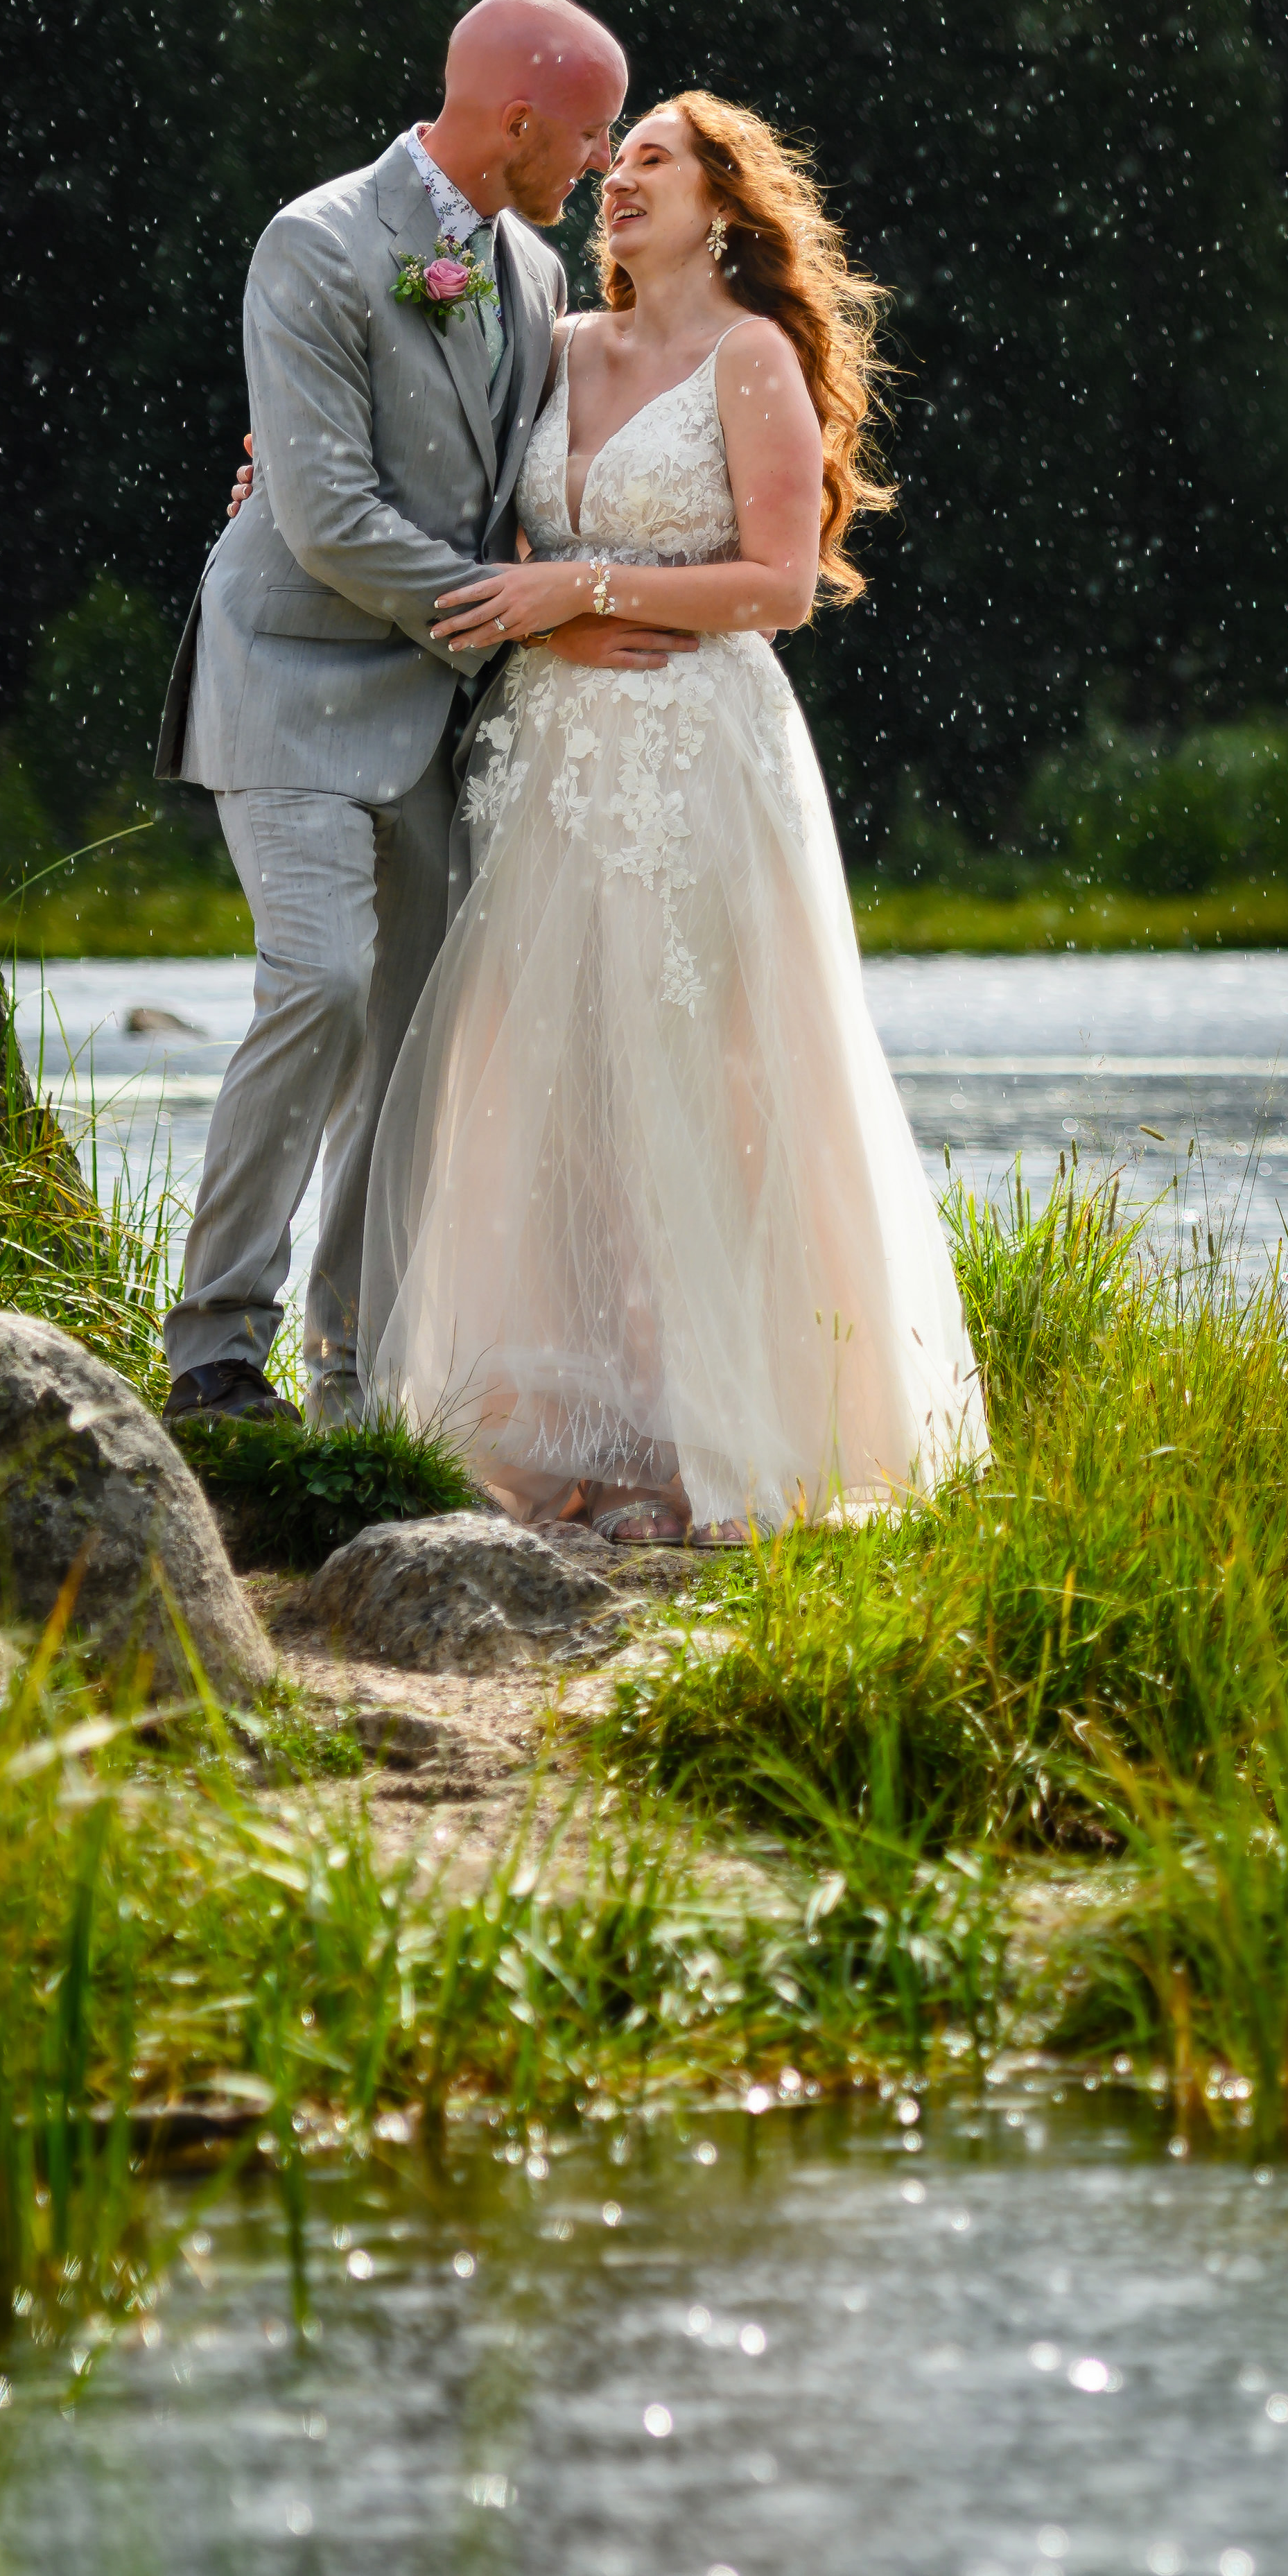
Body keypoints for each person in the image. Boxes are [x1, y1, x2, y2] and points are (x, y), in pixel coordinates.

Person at [357, 92, 984, 1544]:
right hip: (548, 752)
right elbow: (462, 501)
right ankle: (562, 1426)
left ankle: (705, 1442)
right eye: (615, 160)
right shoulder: (557, 344)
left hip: (698, 754)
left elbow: (776, 584)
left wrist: (583, 588)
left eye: (655, 161)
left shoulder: (750, 356)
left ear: (724, 200)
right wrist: (295, 459)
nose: (618, 180)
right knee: (549, 1084)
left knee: (704, 1081)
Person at [150, 0, 684, 1427]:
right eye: (583, 136)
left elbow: (530, 486)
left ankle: (354, 1368)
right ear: (516, 121)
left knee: (421, 1032)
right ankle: (212, 1348)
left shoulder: (532, 271)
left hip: (438, 707)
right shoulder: (317, 244)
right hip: (295, 679)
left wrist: (597, 586)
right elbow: (323, 517)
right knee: (316, 980)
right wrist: (514, 612)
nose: (597, 163)